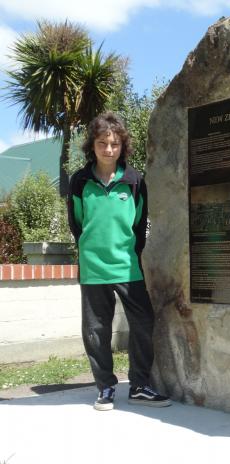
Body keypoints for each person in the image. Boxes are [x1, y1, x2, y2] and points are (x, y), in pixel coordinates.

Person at [67, 111, 171, 411]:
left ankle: (139, 385)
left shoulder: (134, 181)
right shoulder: (80, 181)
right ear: (93, 145)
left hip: (127, 266)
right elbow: (77, 223)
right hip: (93, 267)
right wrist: (90, 249)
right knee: (96, 329)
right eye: (102, 143)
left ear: (122, 145)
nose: (108, 149)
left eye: (114, 143)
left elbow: (139, 225)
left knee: (143, 322)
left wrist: (129, 252)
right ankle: (106, 388)